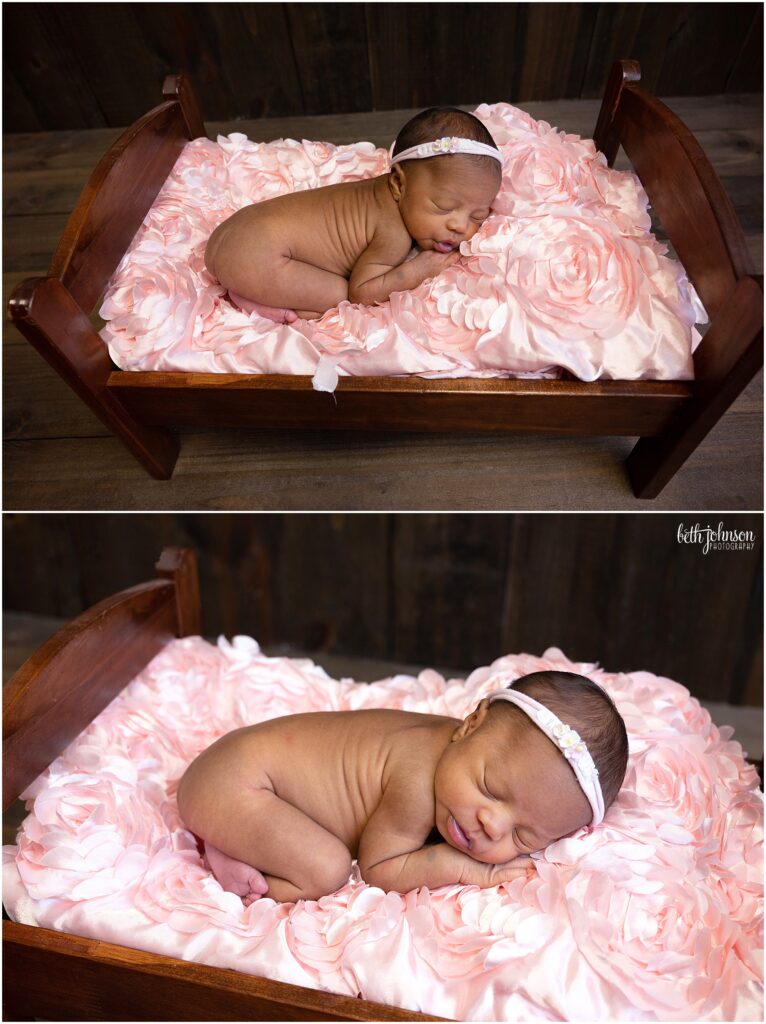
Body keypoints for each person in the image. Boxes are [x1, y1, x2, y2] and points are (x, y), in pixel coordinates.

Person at [177, 670, 629, 904]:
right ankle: (230, 858)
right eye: (490, 788)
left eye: (523, 836)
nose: (491, 824)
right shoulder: (417, 780)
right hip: (236, 783)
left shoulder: (466, 751)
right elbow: (381, 867)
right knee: (327, 869)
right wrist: (474, 870)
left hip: (239, 777)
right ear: (471, 723)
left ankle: (236, 837)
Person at [203, 107, 503, 323]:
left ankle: (249, 289)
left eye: (477, 215)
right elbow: (362, 292)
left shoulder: (388, 194)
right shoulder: (394, 233)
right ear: (398, 182)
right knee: (339, 295)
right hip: (254, 256)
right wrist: (420, 269)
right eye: (443, 207)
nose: (459, 226)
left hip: (235, 231)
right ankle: (252, 300)